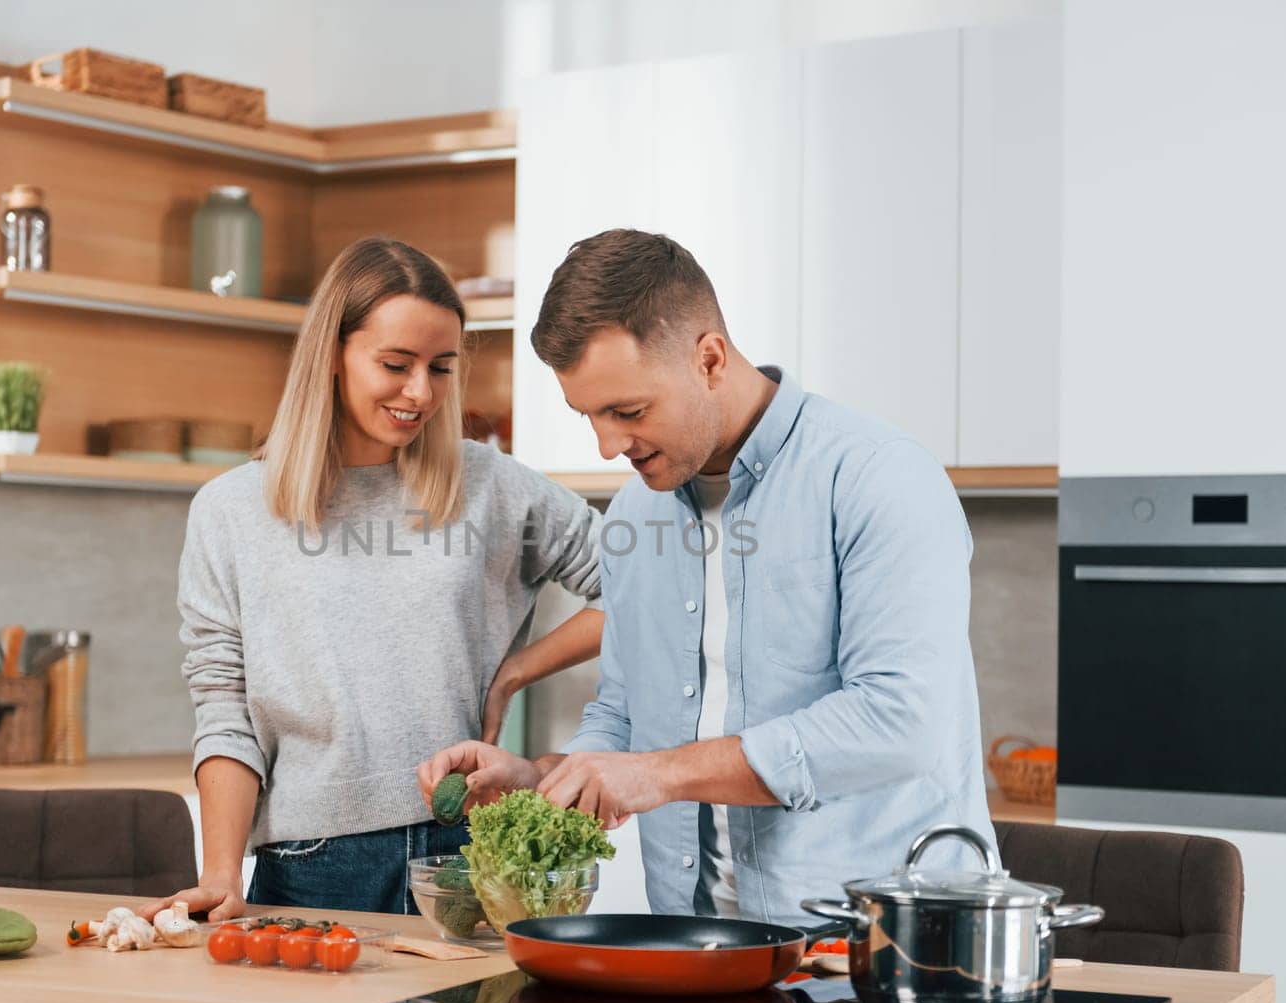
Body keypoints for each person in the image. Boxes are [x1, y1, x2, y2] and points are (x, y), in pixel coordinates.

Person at [420, 229, 995, 922]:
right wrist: (548, 776)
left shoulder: (876, 476)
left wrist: (656, 775)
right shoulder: (640, 512)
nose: (608, 445)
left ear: (711, 358)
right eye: (589, 417)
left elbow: (902, 720)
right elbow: (625, 714)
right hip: (699, 939)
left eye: (628, 411)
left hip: (879, 946)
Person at [142, 237, 604, 923]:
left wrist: (516, 670)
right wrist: (219, 874)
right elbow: (224, 709)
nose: (420, 392)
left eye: (441, 368)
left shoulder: (489, 487)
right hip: (312, 867)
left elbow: (650, 595)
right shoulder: (231, 510)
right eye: (396, 363)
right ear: (332, 351)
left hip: (469, 854)